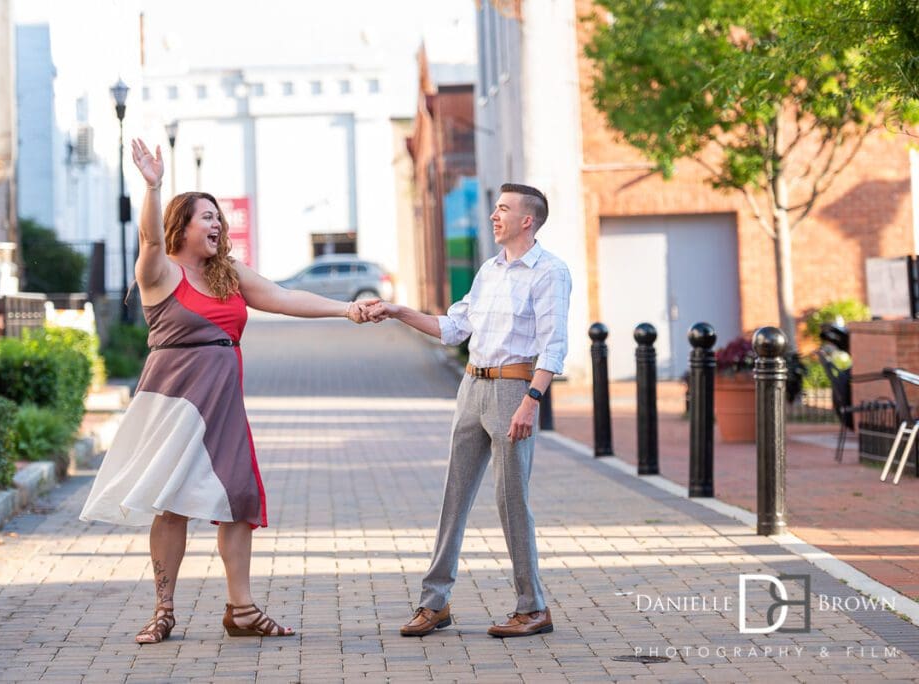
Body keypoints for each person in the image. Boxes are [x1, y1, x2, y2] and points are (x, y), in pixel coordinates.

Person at [80, 138, 373, 644]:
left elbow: (282, 297)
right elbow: (148, 241)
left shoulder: (228, 275)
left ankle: (242, 609)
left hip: (223, 406)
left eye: (219, 218)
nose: (217, 225)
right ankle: (164, 610)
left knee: (239, 498)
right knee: (170, 503)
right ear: (182, 226)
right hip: (175, 404)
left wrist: (345, 309)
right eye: (206, 218)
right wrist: (153, 186)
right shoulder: (160, 273)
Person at [365, 183, 571, 638]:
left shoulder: (550, 273)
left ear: (527, 221)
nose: (495, 216)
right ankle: (434, 603)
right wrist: (399, 312)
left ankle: (532, 606)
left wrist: (531, 401)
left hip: (513, 391)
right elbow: (454, 327)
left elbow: (554, 346)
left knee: (511, 500)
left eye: (503, 209)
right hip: (471, 388)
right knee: (453, 499)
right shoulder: (489, 271)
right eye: (496, 208)